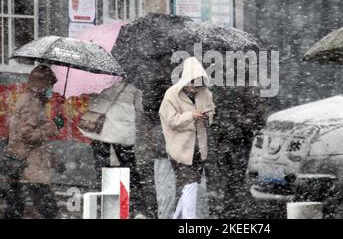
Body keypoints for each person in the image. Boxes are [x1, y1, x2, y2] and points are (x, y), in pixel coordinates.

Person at [78, 81, 156, 219]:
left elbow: (95, 104)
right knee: (130, 169)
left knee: (102, 168)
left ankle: (103, 204)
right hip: (123, 136)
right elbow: (140, 109)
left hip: (101, 133)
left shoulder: (106, 85)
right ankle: (137, 207)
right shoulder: (135, 89)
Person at [3, 65, 62, 219]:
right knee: (49, 210)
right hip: (30, 167)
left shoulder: (31, 100)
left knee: (15, 208)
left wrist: (53, 158)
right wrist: (54, 125)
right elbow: (28, 135)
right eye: (50, 86)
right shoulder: (32, 103)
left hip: (23, 162)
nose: (51, 90)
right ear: (41, 86)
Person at [159, 57, 215, 219]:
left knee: (190, 184)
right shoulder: (172, 94)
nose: (194, 88)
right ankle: (190, 218)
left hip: (199, 147)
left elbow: (211, 111)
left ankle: (178, 216)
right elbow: (170, 120)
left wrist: (206, 117)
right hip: (180, 148)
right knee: (189, 183)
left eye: (197, 83)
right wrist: (191, 116)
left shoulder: (205, 93)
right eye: (192, 83)